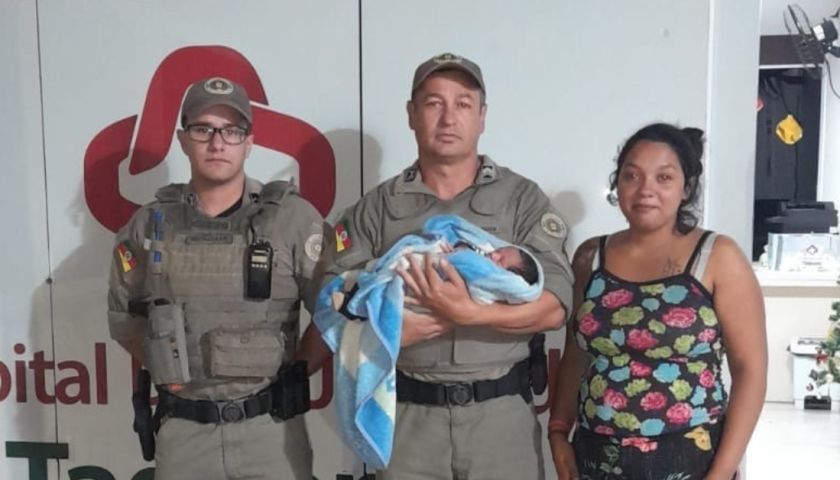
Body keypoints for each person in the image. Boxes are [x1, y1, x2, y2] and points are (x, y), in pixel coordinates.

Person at [318, 52, 574, 480]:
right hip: (409, 421)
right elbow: (331, 303)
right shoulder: (376, 208)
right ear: (411, 114)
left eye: (463, 104)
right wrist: (391, 332)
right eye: (434, 103)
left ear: (482, 116)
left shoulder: (521, 199)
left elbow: (556, 306)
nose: (449, 117)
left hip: (500, 421)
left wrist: (471, 313)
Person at [107, 76, 328, 480]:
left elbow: (335, 314)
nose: (217, 142)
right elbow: (124, 320)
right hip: (184, 433)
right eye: (203, 129)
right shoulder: (148, 226)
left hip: (271, 433)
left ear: (249, 142)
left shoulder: (291, 220)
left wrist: (295, 373)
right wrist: (169, 366)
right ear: (182, 139)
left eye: (231, 130)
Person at [548, 123, 767, 480]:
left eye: (663, 177)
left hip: (691, 458)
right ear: (617, 184)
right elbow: (576, 352)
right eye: (631, 176)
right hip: (596, 456)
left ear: (686, 188)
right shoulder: (591, 257)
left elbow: (750, 370)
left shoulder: (717, 257)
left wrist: (722, 472)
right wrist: (558, 430)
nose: (645, 189)